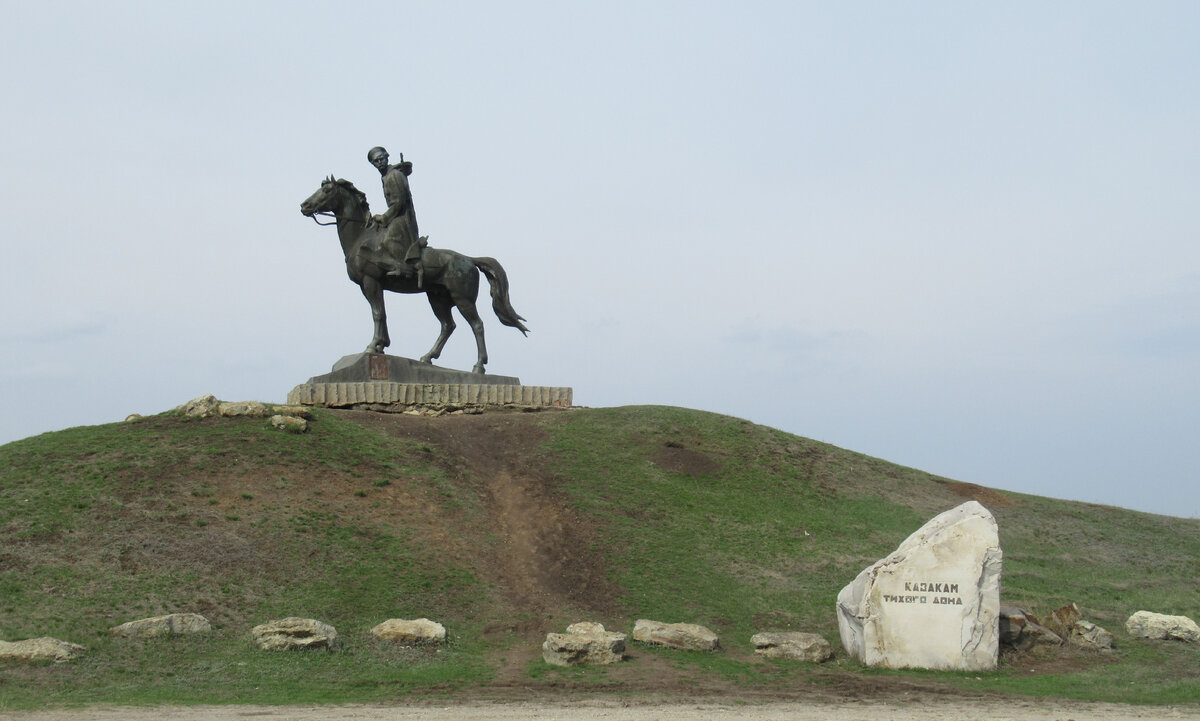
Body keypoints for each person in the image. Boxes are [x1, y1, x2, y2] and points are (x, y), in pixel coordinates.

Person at [367, 146, 426, 285]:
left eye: (381, 159)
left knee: (387, 240)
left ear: (387, 157)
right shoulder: (385, 176)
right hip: (396, 215)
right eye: (376, 161)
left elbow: (399, 202)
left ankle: (405, 267)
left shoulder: (394, 175)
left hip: (402, 217)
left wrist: (384, 217)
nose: (379, 162)